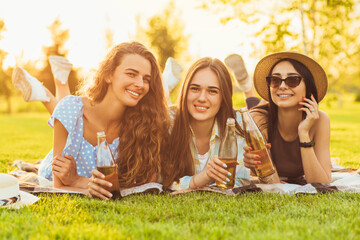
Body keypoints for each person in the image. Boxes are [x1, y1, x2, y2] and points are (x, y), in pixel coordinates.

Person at [12, 42, 169, 195]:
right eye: (131, 74)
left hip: (77, 180)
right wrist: (88, 188)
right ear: (108, 75)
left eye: (146, 79)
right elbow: (57, 186)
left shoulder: (145, 122)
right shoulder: (71, 109)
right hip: (50, 174)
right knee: (65, 109)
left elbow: (147, 183)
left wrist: (79, 181)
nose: (140, 84)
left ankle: (53, 87)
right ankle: (49, 92)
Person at [161, 57, 251, 190]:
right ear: (185, 91)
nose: (202, 98)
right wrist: (203, 178)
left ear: (223, 98)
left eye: (212, 91)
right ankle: (164, 85)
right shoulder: (168, 123)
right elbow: (160, 181)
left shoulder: (236, 125)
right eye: (195, 89)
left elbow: (240, 181)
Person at [243, 51, 331, 184]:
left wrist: (303, 133)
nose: (283, 86)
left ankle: (246, 87)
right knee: (253, 108)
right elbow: (272, 183)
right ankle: (246, 88)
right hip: (260, 113)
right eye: (275, 80)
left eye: (292, 80)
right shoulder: (258, 119)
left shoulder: (320, 120)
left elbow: (322, 184)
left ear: (308, 86)